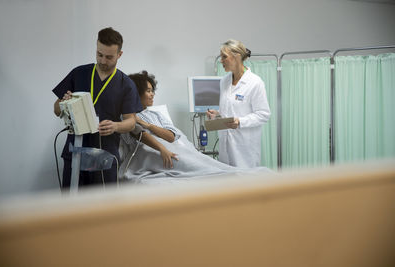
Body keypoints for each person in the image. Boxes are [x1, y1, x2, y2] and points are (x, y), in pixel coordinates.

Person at [119, 71, 272, 184]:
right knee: (196, 167)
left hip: (173, 148)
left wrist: (148, 125)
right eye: (148, 91)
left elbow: (171, 136)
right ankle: (236, 176)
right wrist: (161, 148)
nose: (152, 94)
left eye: (153, 90)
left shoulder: (156, 115)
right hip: (151, 155)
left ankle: (238, 174)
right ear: (136, 93)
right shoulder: (127, 118)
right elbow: (140, 136)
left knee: (202, 162)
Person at [52, 27, 142, 188]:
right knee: (70, 207)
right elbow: (56, 109)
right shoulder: (79, 73)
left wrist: (115, 126)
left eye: (109, 57)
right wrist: (64, 104)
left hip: (105, 156)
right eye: (99, 55)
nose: (102, 61)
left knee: (102, 209)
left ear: (119, 55)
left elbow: (131, 123)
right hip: (75, 152)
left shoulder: (126, 84)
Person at [207, 39, 271, 168]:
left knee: (246, 184)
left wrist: (240, 122)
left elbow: (264, 114)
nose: (221, 60)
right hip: (225, 145)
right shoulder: (224, 82)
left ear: (236, 57)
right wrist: (217, 115)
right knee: (228, 182)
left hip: (245, 148)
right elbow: (230, 110)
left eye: (224, 57)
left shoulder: (255, 82)